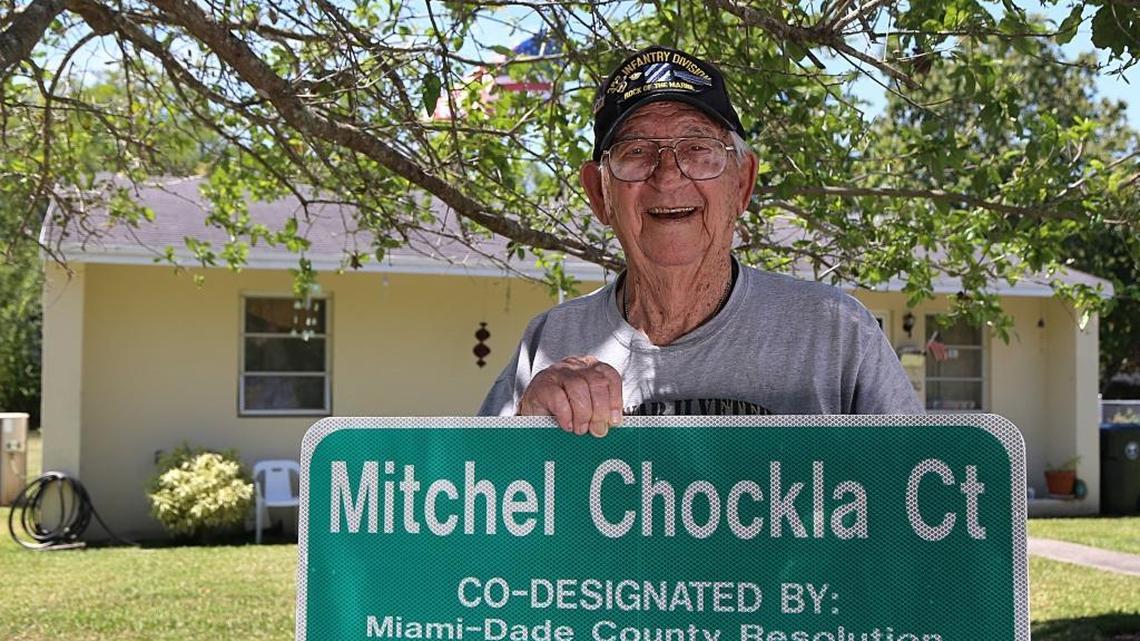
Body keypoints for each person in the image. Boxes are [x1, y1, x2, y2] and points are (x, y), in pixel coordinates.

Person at [479, 45, 922, 434]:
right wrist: (525, 433)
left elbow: (922, 499)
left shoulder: (835, 333)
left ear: (742, 185)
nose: (669, 174)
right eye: (636, 152)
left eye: (698, 149)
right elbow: (481, 509)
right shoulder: (551, 341)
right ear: (600, 195)